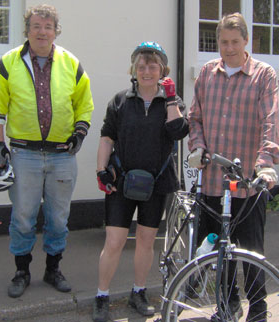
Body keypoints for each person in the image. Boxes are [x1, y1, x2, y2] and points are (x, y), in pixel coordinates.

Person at [0, 4, 94, 298]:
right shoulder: (9, 62)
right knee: (23, 216)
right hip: (25, 155)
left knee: (58, 217)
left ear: (55, 31)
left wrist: (80, 132)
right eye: (36, 26)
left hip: (62, 155)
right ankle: (21, 271)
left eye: (48, 27)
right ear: (28, 30)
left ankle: (52, 269)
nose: (42, 32)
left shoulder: (71, 63)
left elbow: (84, 104)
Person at [188, 13, 279, 322]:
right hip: (214, 179)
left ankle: (258, 311)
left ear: (246, 42)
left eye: (234, 42)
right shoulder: (206, 74)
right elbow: (195, 117)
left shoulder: (263, 75)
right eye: (223, 42)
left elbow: (271, 121)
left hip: (248, 183)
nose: (228, 48)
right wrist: (198, 146)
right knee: (220, 253)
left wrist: (265, 165)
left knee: (251, 253)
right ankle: (227, 307)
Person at [92, 41, 189, 322]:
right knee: (114, 241)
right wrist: (101, 170)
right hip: (121, 182)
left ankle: (139, 292)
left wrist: (170, 99)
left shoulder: (172, 101)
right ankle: (102, 296)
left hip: (157, 184)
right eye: (142, 66)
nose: (147, 71)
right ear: (134, 69)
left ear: (162, 70)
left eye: (153, 65)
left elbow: (178, 131)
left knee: (146, 241)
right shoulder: (121, 100)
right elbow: (107, 137)